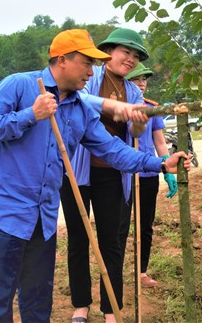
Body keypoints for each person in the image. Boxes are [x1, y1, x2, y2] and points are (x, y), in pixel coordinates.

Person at [0, 29, 190, 323]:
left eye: (93, 65)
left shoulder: (78, 108)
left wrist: (161, 164)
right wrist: (29, 115)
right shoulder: (19, 86)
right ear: (63, 60)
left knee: (38, 297)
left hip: (43, 216)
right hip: (5, 210)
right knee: (0, 297)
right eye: (86, 63)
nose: (91, 72)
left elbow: (113, 150)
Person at [59, 28, 153, 323]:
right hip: (76, 171)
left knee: (112, 240)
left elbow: (135, 133)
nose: (130, 59)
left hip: (113, 173)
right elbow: (79, 102)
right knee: (78, 237)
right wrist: (112, 106)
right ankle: (80, 303)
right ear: (110, 51)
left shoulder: (135, 91)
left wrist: (137, 121)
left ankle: (111, 307)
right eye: (126, 52)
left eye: (135, 56)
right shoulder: (90, 78)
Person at [118, 63, 178, 289]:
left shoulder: (152, 109)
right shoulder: (119, 109)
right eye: (137, 79)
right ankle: (117, 271)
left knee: (145, 225)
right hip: (123, 174)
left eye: (145, 79)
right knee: (121, 226)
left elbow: (160, 142)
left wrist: (167, 170)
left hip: (148, 174)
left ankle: (141, 271)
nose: (142, 83)